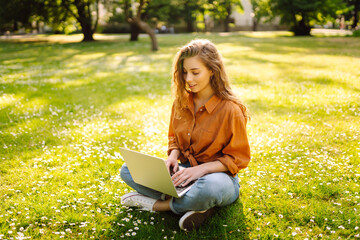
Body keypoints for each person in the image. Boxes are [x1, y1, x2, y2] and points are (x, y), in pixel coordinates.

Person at [120, 39, 251, 231]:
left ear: (212, 70)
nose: (188, 78)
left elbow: (238, 158)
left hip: (218, 177)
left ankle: (161, 205)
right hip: (184, 173)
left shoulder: (231, 109)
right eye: (184, 72)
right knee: (128, 169)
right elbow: (174, 139)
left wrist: (200, 171)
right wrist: (172, 157)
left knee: (209, 189)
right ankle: (197, 206)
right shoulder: (181, 102)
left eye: (195, 72)